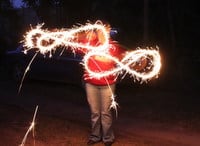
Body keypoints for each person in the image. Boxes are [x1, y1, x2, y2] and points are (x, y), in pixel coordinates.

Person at [78, 24, 125, 146]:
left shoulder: (113, 46)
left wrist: (95, 56)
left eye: (105, 30)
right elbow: (76, 41)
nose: (102, 33)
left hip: (108, 83)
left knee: (105, 112)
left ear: (108, 31)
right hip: (91, 83)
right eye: (99, 31)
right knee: (95, 112)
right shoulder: (90, 44)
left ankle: (108, 138)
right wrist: (85, 35)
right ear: (97, 32)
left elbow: (110, 60)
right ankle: (95, 136)